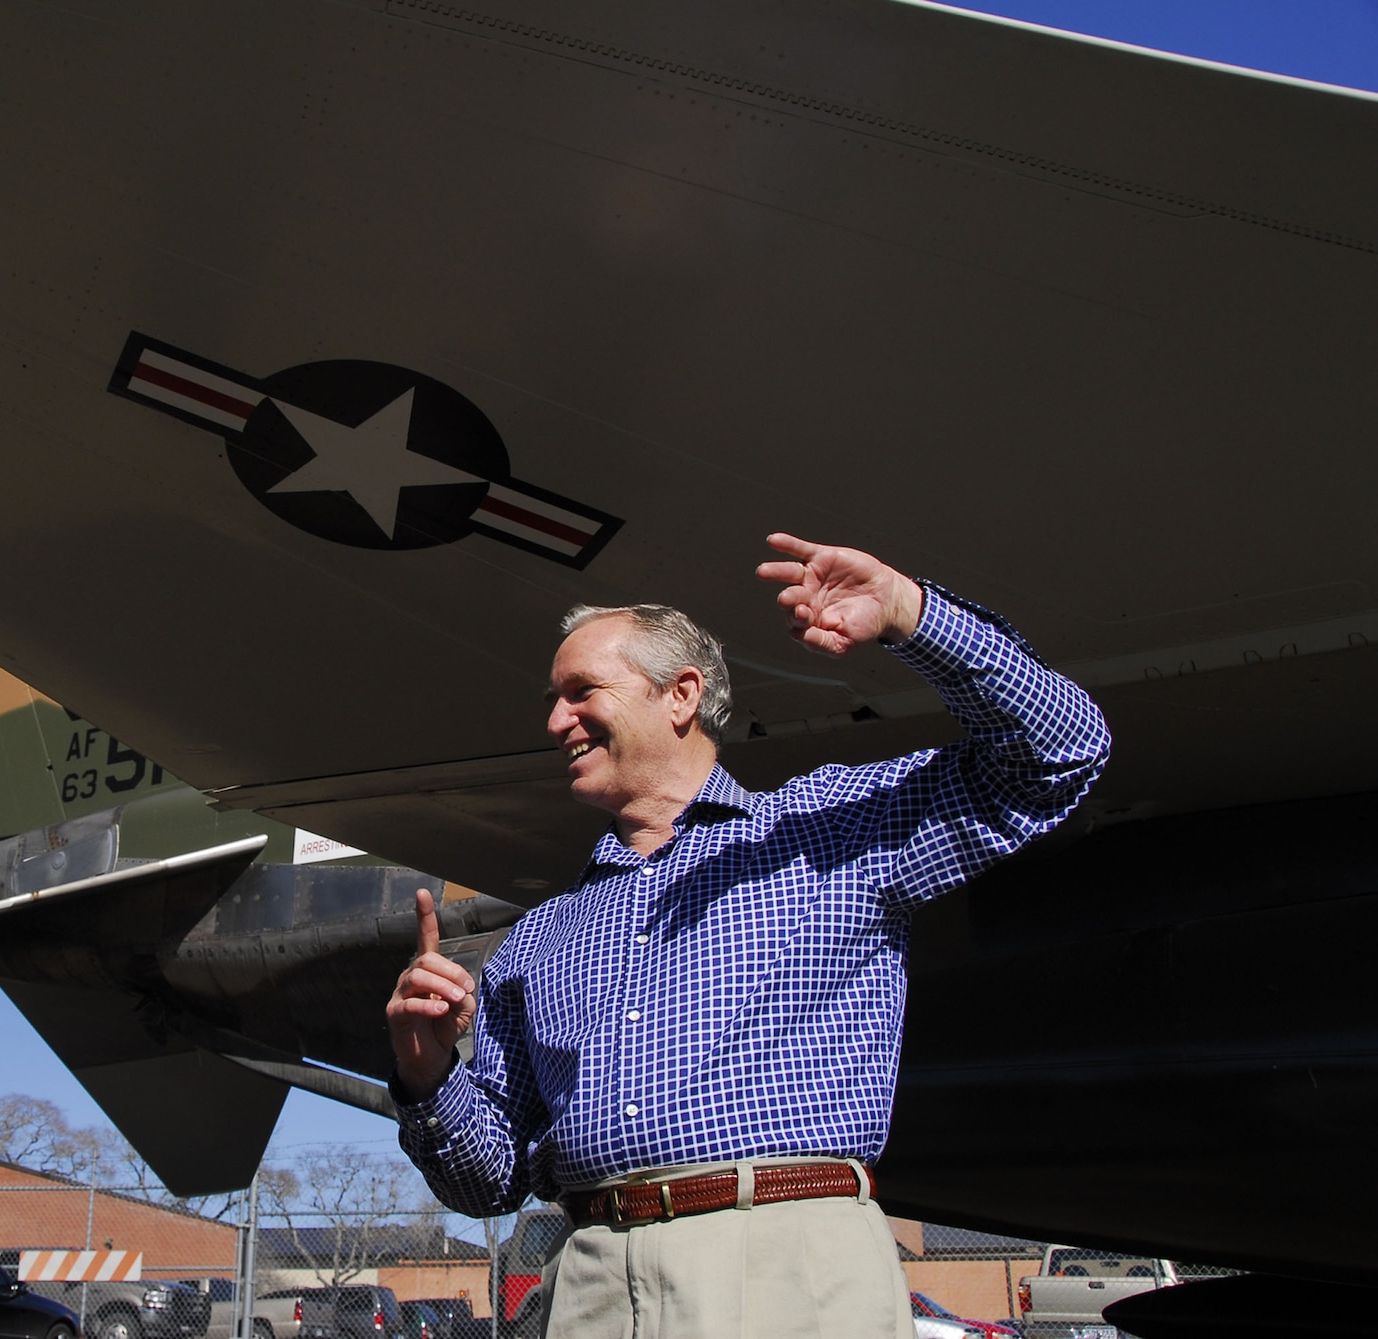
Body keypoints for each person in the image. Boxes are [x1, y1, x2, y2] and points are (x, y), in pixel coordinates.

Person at [385, 533, 1110, 1339]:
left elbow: (1060, 752)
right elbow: (488, 1184)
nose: (556, 720)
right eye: (554, 699)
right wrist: (427, 1071)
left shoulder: (829, 832)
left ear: (681, 694)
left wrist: (913, 615)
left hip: (789, 1263)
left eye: (581, 689)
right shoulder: (536, 941)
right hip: (588, 1280)